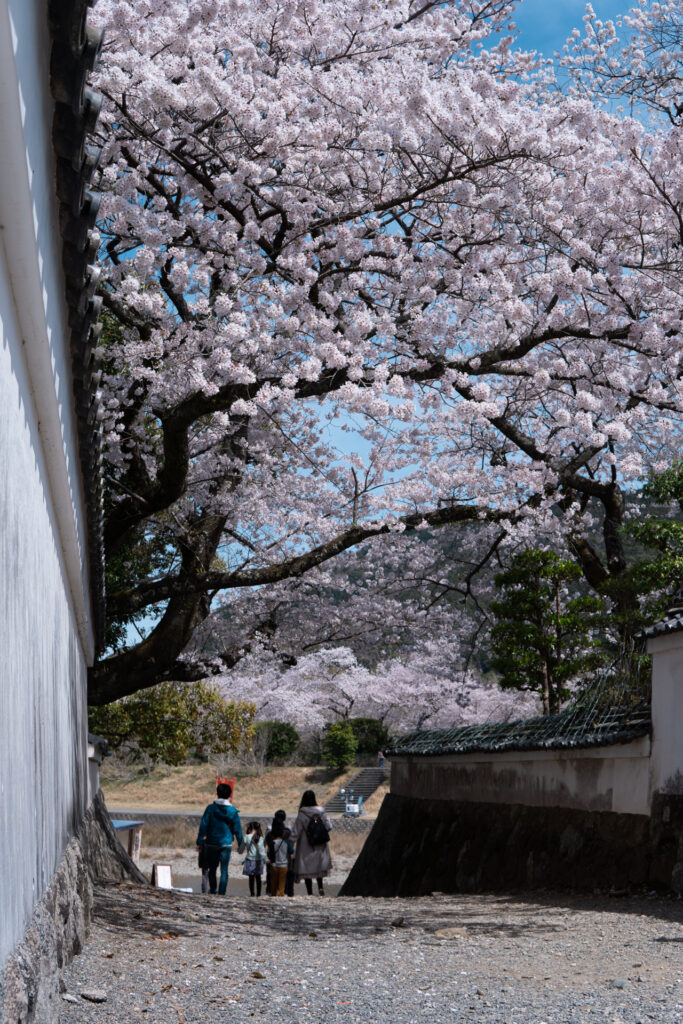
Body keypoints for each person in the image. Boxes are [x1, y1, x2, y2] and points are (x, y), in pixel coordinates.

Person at [196, 780, 243, 895]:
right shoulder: (232, 811)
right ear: (229, 795)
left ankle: (213, 890)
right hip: (226, 844)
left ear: (217, 793)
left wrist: (199, 841)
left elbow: (203, 825)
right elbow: (237, 829)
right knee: (224, 870)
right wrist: (241, 844)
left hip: (211, 843)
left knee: (212, 869)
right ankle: (222, 893)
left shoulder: (210, 808)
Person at [291, 789, 333, 896]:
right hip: (320, 844)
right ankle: (320, 887)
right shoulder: (322, 812)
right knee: (319, 867)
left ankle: (309, 892)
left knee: (306, 870)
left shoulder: (302, 813)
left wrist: (290, 845)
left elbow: (295, 832)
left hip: (306, 846)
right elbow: (329, 826)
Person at [266, 818, 293, 897]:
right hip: (284, 866)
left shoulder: (272, 843)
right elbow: (291, 851)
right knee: (282, 884)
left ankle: (274, 894)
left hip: (274, 866)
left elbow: (270, 854)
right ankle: (280, 894)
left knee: (273, 884)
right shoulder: (286, 842)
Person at [242, 821, 265, 896]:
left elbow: (241, 848)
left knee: (251, 878)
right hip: (259, 860)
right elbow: (262, 849)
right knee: (258, 877)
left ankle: (252, 893)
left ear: (250, 828)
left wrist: (240, 850)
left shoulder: (247, 837)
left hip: (250, 860)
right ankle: (259, 894)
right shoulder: (261, 838)